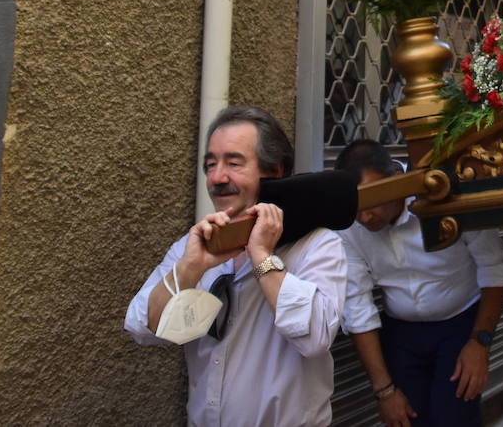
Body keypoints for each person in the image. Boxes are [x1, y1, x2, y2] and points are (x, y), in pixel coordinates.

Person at [126, 106, 346, 427]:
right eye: (210, 165)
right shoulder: (193, 248)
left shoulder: (318, 245)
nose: (217, 178)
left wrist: (261, 256)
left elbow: (314, 338)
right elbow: (142, 328)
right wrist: (191, 268)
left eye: (233, 162)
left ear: (275, 172)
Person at [335, 139, 503, 427]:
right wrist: (384, 392)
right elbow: (356, 306)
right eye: (355, 207)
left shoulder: (443, 194)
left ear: (396, 179)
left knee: (454, 419)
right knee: (407, 419)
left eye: (371, 202)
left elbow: (495, 268)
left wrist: (480, 342)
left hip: (459, 324)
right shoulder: (349, 227)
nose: (364, 217)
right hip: (401, 334)